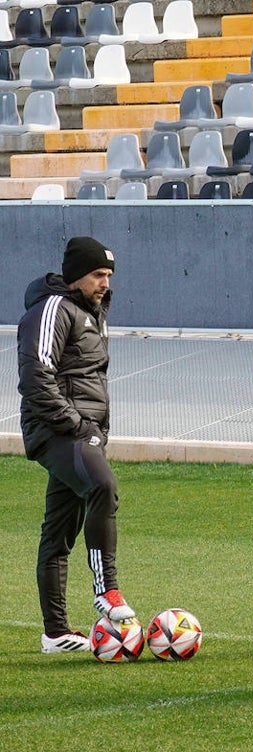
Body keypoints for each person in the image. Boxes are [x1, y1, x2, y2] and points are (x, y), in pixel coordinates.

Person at [17, 236, 136, 654]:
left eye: (109, 275)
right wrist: (77, 425)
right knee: (102, 486)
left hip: (84, 432)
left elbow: (88, 377)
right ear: (75, 276)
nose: (106, 283)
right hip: (56, 430)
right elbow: (35, 375)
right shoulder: (52, 309)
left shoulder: (92, 310)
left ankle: (56, 633)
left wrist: (96, 429)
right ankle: (108, 590)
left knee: (58, 532)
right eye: (98, 275)